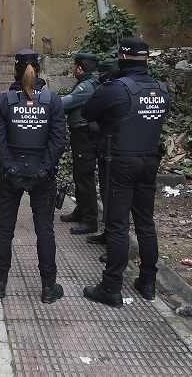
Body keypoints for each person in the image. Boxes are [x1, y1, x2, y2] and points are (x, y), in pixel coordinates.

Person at [80, 38, 169, 307]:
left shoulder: (116, 88)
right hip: (150, 160)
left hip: (120, 162)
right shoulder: (161, 89)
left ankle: (111, 286)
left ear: (121, 56)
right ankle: (148, 283)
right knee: (146, 223)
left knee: (118, 225)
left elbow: (88, 112)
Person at [0, 50, 67, 303]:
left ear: (15, 70)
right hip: (42, 175)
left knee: (4, 230)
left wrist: (11, 170)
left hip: (10, 175)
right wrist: (42, 170)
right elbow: (58, 141)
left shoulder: (4, 101)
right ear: (39, 69)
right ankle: (48, 288)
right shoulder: (53, 101)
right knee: (45, 231)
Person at [57, 53, 101, 235]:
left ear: (79, 68)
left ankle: (90, 220)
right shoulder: (91, 82)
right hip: (81, 135)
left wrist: (44, 102)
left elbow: (67, 102)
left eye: (74, 66)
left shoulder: (87, 86)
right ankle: (81, 210)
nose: (74, 70)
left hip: (85, 136)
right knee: (79, 174)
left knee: (84, 178)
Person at [87, 58, 120, 250]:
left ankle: (116, 246)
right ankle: (109, 234)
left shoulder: (112, 89)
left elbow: (90, 113)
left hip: (117, 151)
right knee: (107, 194)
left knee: (115, 199)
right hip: (108, 147)